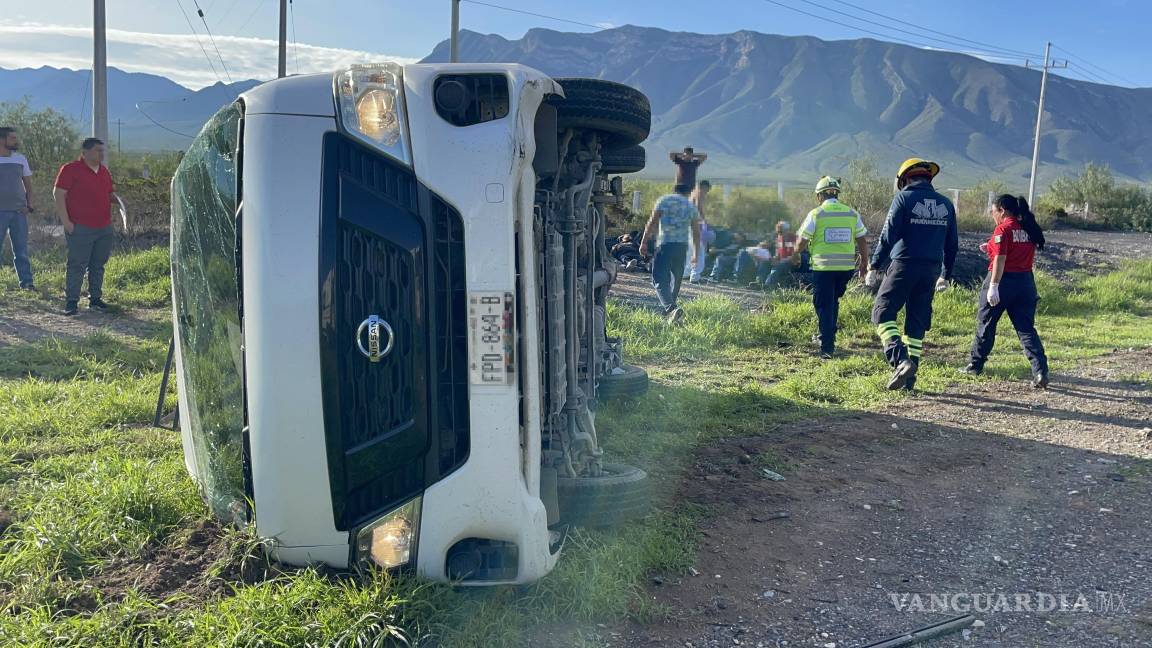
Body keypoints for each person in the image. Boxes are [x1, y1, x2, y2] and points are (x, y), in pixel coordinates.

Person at [866, 158, 958, 390]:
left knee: (882, 312)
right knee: (916, 322)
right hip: (931, 270)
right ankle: (909, 381)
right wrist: (945, 275)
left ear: (905, 179)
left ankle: (900, 360)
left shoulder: (904, 198)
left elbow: (888, 235)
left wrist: (874, 265)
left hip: (904, 265)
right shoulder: (946, 204)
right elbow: (952, 245)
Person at [964, 194, 1050, 388]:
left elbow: (1000, 259)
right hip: (1025, 284)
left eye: (993, 211)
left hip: (1003, 282)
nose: (992, 215)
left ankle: (975, 365)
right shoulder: (1027, 228)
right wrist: (990, 247)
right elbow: (1014, 250)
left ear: (1002, 211)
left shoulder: (1002, 229)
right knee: (1026, 329)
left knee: (986, 324)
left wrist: (993, 286)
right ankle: (1040, 371)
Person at [793, 176, 869, 358]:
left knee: (823, 304)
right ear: (837, 194)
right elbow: (862, 240)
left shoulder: (816, 214)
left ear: (819, 196)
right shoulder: (851, 213)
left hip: (824, 268)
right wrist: (864, 263)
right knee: (833, 301)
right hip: (845, 269)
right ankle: (828, 335)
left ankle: (827, 347)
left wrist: (795, 254)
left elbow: (802, 240)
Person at [54, 138, 117, 316]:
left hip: (104, 227)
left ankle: (95, 299)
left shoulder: (104, 171)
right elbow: (58, 194)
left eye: (102, 151)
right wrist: (66, 222)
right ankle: (72, 302)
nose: (101, 154)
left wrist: (119, 201)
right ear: (85, 152)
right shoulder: (70, 169)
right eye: (98, 150)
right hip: (80, 227)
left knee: (98, 264)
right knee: (77, 265)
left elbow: (108, 193)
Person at [640, 183, 701, 324]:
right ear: (689, 192)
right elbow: (696, 233)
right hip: (681, 247)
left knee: (659, 278)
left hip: (665, 245)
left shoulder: (664, 201)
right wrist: (696, 254)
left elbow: (652, 222)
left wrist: (643, 242)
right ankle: (673, 315)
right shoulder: (690, 206)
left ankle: (671, 308)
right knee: (676, 279)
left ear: (674, 191)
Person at [0, 127, 36, 290]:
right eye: (12, 138)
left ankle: (27, 283)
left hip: (19, 212)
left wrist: (30, 206)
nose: (16, 141)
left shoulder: (20, 159)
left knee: (21, 251)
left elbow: (28, 186)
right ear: (2, 140)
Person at [686, 180, 713, 282]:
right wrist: (704, 221)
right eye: (707, 190)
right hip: (695, 224)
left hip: (688, 224)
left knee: (690, 250)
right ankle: (695, 276)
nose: (707, 192)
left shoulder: (692, 194)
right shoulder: (699, 194)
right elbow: (698, 208)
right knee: (700, 250)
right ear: (704, 187)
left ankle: (686, 273)